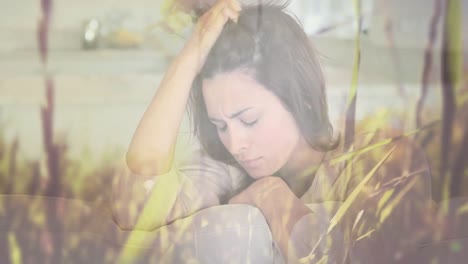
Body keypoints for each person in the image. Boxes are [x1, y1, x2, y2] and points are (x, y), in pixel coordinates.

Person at [121, 0, 432, 263]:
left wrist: (271, 195)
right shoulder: (224, 168)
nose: (235, 144)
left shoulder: (382, 158)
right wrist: (189, 57)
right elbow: (140, 199)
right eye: (220, 126)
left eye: (250, 120)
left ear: (301, 99)